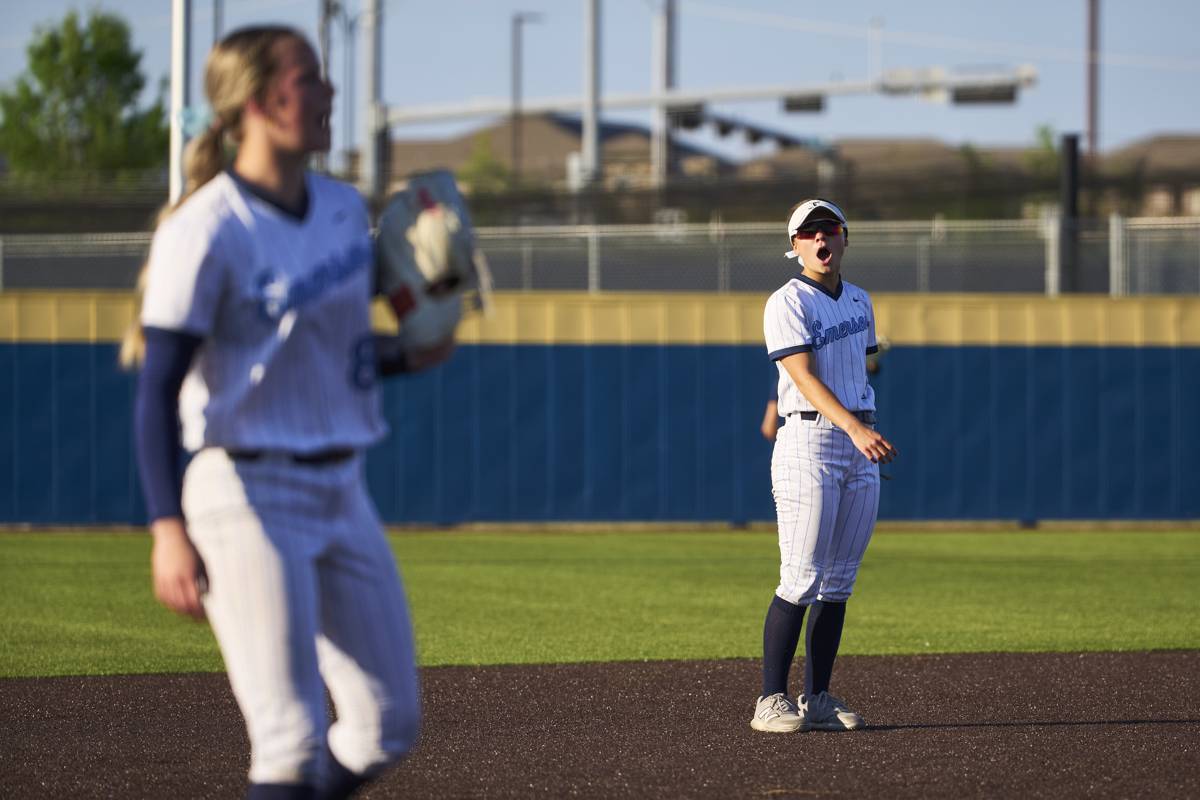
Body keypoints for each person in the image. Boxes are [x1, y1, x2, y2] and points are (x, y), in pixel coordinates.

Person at [121, 26, 452, 798]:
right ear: (262, 101)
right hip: (245, 492)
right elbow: (157, 389)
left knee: (386, 724)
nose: (329, 92)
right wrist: (166, 528)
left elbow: (337, 355)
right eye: (310, 79)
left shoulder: (341, 208)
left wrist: (413, 351)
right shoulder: (206, 227)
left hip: (341, 488)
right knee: (289, 740)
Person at [751, 198, 897, 733]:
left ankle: (817, 698)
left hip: (858, 442)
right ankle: (770, 700)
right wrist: (855, 427)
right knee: (801, 576)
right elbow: (804, 376)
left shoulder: (859, 299)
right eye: (809, 233)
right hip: (808, 442)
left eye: (829, 229)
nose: (820, 239)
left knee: (838, 581)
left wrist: (861, 428)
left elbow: (859, 367)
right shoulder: (786, 301)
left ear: (844, 238)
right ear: (794, 246)